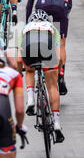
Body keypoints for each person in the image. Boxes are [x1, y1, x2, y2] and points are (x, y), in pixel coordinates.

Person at [26, 0, 72, 95]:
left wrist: (29, 23)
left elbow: (30, 3)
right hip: (61, 7)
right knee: (61, 44)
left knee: (38, 34)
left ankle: (35, 64)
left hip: (43, 5)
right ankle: (61, 74)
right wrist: (63, 18)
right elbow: (69, 4)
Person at [17, 9, 65, 143]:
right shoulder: (52, 27)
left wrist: (20, 72)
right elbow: (59, 57)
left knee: (30, 71)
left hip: (29, 50)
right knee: (52, 87)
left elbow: (19, 59)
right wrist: (57, 70)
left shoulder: (25, 28)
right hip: (48, 50)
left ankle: (31, 98)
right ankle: (56, 123)